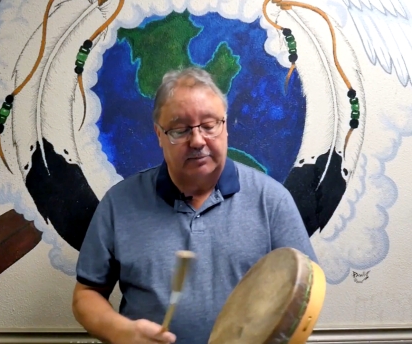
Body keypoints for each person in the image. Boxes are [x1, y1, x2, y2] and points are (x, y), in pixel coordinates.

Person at [72, 66, 317, 344]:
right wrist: (122, 332)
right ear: (159, 135)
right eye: (179, 129)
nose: (198, 140)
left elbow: (308, 294)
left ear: (225, 126)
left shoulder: (272, 201)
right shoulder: (118, 203)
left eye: (210, 125)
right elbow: (86, 295)